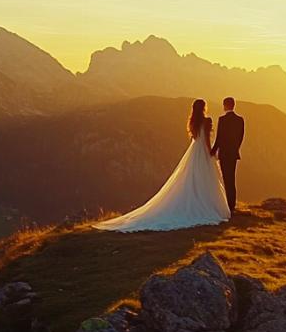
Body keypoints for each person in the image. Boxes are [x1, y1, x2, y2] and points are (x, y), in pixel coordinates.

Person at [94, 99, 230, 232]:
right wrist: (211, 152)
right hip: (202, 151)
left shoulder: (193, 122)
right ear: (204, 108)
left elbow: (196, 138)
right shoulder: (207, 121)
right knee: (206, 178)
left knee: (193, 177)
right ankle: (206, 204)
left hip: (195, 151)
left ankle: (198, 201)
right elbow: (206, 139)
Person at [211, 97, 244, 214]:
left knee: (226, 178)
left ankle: (227, 204)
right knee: (232, 178)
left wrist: (213, 150)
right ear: (233, 105)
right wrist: (235, 148)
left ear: (225, 105)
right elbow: (240, 137)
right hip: (233, 154)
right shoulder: (240, 120)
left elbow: (219, 138)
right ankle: (232, 204)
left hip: (224, 154)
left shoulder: (222, 119)